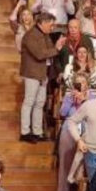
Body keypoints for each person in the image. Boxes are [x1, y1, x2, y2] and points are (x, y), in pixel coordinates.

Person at [19, 11, 64, 143]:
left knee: (39, 104)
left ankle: (37, 132)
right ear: (43, 23)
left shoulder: (45, 35)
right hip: (32, 73)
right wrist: (56, 49)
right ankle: (25, 132)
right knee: (29, 102)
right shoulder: (30, 35)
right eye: (51, 25)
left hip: (43, 74)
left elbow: (49, 50)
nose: (52, 27)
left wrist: (56, 48)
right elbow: (39, 54)